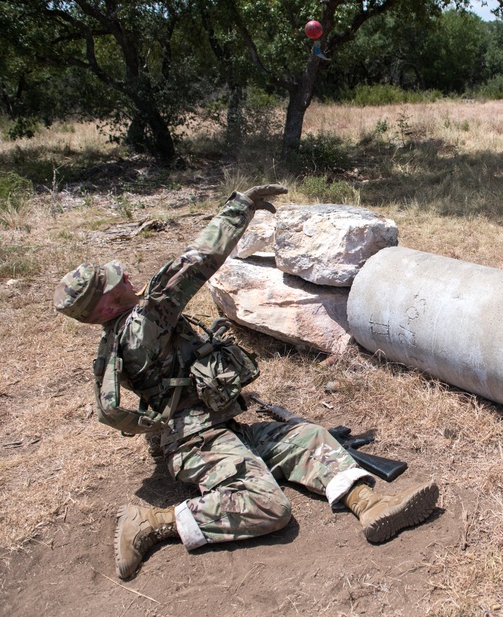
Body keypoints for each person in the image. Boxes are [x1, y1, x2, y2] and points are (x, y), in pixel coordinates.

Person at [54, 186, 439, 579]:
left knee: (308, 438)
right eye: (113, 282)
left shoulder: (130, 331)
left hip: (221, 426)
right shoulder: (140, 328)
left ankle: (370, 505)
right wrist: (241, 208)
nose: (127, 277)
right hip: (196, 442)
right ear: (105, 307)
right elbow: (197, 262)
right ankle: (155, 521)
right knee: (270, 507)